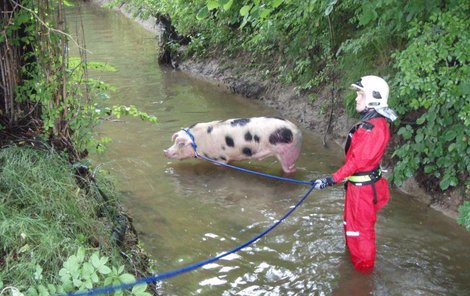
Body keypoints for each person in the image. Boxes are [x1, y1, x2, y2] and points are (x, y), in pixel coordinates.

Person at [312, 75, 397, 273]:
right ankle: (354, 269)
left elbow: (357, 162)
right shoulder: (371, 123)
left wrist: (330, 179)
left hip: (363, 192)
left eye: (361, 94)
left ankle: (363, 279)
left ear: (374, 99)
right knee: (352, 229)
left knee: (361, 233)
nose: (357, 98)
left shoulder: (373, 129)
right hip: (358, 187)